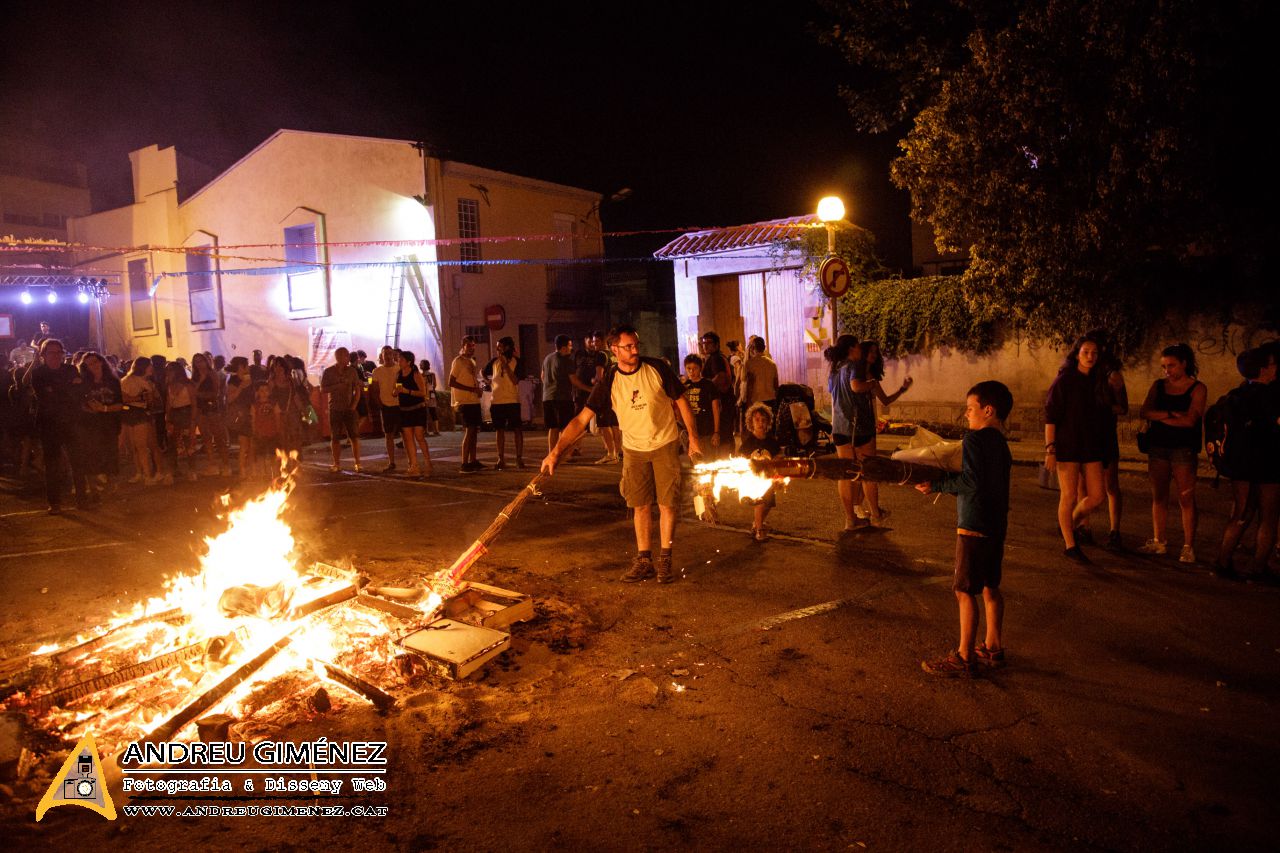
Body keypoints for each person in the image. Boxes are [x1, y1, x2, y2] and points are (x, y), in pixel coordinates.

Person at [542, 325, 702, 584]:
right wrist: (555, 452)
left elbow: (681, 401)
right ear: (614, 350)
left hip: (664, 443)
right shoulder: (610, 380)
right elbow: (581, 420)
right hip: (634, 449)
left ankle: (665, 558)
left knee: (667, 504)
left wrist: (693, 439)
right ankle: (644, 560)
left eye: (636, 345)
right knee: (640, 504)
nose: (635, 350)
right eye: (628, 347)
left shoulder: (656, 368)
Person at [916, 381, 1014, 677]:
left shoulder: (974, 440)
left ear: (988, 410)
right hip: (996, 523)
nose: (967, 414)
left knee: (963, 590)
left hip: (973, 524)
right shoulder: (1002, 444)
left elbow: (971, 482)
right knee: (990, 586)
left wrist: (937, 484)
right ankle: (993, 647)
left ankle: (964, 656)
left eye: (971, 408)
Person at [1211, 347, 1279, 580]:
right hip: (1269, 462)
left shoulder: (1236, 395)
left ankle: (1222, 562)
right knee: (1268, 518)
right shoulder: (1273, 396)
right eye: (1272, 364)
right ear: (1263, 369)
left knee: (1241, 514)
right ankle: (1258, 569)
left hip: (1240, 464)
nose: (1276, 368)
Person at [1137, 342, 1207, 563]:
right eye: (1164, 366)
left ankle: (1188, 547)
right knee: (1159, 495)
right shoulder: (1158, 386)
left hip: (1183, 449)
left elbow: (1190, 421)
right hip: (1158, 446)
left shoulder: (1197, 388)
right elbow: (1145, 411)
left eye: (1172, 365)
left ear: (1184, 364)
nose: (1167, 370)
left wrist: (1161, 417)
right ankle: (1159, 541)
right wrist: (1171, 414)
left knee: (1186, 497)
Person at [1044, 334, 1110, 563]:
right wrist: (1050, 449)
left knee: (1098, 496)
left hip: (1091, 447)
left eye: (1094, 353)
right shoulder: (1064, 380)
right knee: (1069, 495)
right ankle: (1070, 545)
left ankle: (1070, 521)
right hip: (1068, 445)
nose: (1090, 356)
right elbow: (1051, 417)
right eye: (1086, 352)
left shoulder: (1098, 381)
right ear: (1077, 354)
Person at [849, 340, 912, 525]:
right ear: (862, 353)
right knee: (869, 469)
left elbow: (885, 400)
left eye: (876, 352)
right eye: (870, 352)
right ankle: (874, 513)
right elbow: (856, 387)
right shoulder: (857, 374)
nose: (874, 355)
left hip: (868, 425)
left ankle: (860, 508)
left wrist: (902, 390)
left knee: (864, 469)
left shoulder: (870, 377)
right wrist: (871, 384)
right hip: (860, 426)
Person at [21, 339, 87, 512]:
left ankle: (82, 499)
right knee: (52, 465)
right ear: (43, 355)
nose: (56, 356)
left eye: (59, 352)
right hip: (50, 424)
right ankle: (54, 502)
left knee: (78, 462)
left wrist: (57, 390)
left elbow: (79, 393)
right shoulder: (39, 373)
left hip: (72, 422)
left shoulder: (70, 369)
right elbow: (45, 396)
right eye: (52, 352)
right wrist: (68, 388)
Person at [826, 335, 866, 531]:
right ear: (851, 348)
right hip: (853, 426)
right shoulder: (852, 366)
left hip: (838, 426)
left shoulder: (834, 370)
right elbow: (855, 386)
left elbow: (831, 392)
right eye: (858, 346)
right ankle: (859, 511)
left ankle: (850, 518)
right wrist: (871, 384)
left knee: (844, 472)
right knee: (860, 469)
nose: (860, 350)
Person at [77, 352, 123, 500]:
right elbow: (79, 404)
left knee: (111, 456)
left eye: (95, 362)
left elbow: (121, 404)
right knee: (92, 457)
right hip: (90, 425)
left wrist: (104, 408)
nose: (94, 365)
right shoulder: (84, 383)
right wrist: (88, 408)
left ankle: (113, 488)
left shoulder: (113, 381)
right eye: (89, 364)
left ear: (102, 362)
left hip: (110, 424)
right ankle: (94, 491)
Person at [738, 402, 782, 542]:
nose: (760, 423)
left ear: (768, 422)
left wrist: (776, 461)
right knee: (760, 503)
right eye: (757, 420)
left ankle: (756, 523)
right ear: (751, 422)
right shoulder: (749, 442)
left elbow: (778, 454)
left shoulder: (771, 441)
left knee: (768, 504)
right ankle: (759, 530)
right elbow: (741, 456)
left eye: (763, 420)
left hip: (768, 478)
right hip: (755, 479)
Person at [541, 335, 587, 462]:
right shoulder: (566, 360)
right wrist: (589, 389)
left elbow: (543, 376)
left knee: (553, 427)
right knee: (565, 428)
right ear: (563, 347)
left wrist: (550, 385)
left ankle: (552, 454)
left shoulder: (547, 358)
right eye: (570, 345)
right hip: (562, 398)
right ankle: (565, 454)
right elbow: (574, 380)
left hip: (547, 397)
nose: (571, 348)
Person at [483, 336, 526, 469]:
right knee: (499, 430)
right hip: (497, 401)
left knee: (517, 429)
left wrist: (505, 365)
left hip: (512, 400)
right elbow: (483, 372)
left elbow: (515, 380)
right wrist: (488, 382)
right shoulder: (494, 362)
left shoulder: (517, 362)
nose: (497, 350)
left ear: (507, 347)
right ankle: (500, 459)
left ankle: (519, 458)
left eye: (499, 347)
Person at [120, 356, 162, 484]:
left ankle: (154, 472)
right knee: (137, 446)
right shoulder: (129, 380)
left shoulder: (147, 381)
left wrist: (151, 397)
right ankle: (144, 473)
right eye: (150, 365)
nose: (152, 368)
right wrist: (140, 398)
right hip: (134, 412)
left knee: (149, 445)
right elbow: (123, 398)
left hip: (144, 413)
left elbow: (154, 399)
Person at [321, 346, 363, 473]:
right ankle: (337, 463)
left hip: (349, 408)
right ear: (337, 357)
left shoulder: (352, 371)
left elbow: (357, 389)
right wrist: (337, 386)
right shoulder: (329, 371)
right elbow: (323, 389)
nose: (347, 358)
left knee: (354, 436)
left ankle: (358, 463)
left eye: (347, 356)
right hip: (335, 408)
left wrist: (354, 405)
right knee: (335, 437)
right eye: (344, 356)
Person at [450, 336, 485, 472]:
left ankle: (473, 460)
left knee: (474, 432)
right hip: (465, 401)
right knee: (469, 431)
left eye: (473, 345)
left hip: (474, 400)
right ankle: (464, 463)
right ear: (463, 346)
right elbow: (451, 382)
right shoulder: (458, 361)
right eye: (469, 345)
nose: (472, 348)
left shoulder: (471, 361)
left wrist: (477, 389)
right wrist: (471, 389)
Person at [394, 349, 432, 478]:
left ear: (409, 362)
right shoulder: (398, 374)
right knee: (409, 439)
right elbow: (396, 389)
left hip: (417, 409)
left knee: (419, 436)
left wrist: (407, 391)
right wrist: (395, 392)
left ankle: (427, 462)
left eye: (401, 359)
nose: (399, 361)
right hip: (404, 410)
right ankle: (414, 466)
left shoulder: (415, 374)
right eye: (399, 359)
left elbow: (423, 393)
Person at [192, 353, 229, 476]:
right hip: (200, 408)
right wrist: (200, 381)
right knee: (206, 438)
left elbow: (215, 392)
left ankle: (225, 465)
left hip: (212, 407)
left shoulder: (212, 374)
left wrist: (200, 393)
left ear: (206, 361)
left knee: (218, 437)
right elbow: (192, 392)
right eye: (196, 362)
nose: (199, 364)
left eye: (201, 361)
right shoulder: (195, 376)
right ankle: (212, 464)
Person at [698, 331, 735, 454]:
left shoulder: (716, 358)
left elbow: (721, 377)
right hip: (724, 403)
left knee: (724, 437)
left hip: (723, 403)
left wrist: (705, 386)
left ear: (717, 344)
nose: (705, 345)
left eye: (709, 343)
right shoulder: (717, 357)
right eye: (704, 343)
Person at [371, 346, 402, 472]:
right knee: (388, 434)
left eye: (390, 353)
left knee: (405, 433)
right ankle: (391, 462)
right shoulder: (377, 371)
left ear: (393, 355)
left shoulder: (399, 369)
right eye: (385, 354)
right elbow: (374, 389)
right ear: (382, 356)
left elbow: (401, 385)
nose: (388, 356)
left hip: (399, 405)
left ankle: (412, 462)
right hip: (386, 406)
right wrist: (380, 404)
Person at [681, 354, 720, 455]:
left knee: (709, 459)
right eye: (688, 368)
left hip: (707, 431)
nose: (691, 371)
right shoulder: (684, 386)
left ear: (700, 368)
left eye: (695, 368)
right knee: (694, 460)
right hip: (691, 432)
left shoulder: (708, 385)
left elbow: (716, 409)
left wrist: (716, 432)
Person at [165, 362, 198, 481]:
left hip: (186, 413)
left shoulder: (188, 385)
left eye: (170, 370)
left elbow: (194, 404)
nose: (168, 372)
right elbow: (168, 403)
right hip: (174, 414)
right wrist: (167, 419)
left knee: (188, 442)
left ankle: (192, 470)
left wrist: (193, 421)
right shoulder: (169, 385)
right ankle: (173, 470)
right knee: (172, 443)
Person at [225, 356, 254, 478]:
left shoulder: (250, 379)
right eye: (246, 365)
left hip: (251, 413)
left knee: (252, 444)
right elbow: (230, 399)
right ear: (240, 367)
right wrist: (241, 386)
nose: (248, 368)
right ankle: (242, 470)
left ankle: (250, 469)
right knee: (244, 444)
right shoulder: (233, 380)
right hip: (241, 415)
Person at [738, 336, 780, 424]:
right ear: (764, 347)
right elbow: (776, 385)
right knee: (769, 425)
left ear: (753, 348)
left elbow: (747, 383)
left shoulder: (749, 364)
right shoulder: (772, 364)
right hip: (771, 400)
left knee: (758, 426)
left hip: (756, 400)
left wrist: (748, 402)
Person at [250, 381, 284, 480]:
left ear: (269, 392)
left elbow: (277, 417)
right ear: (257, 392)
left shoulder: (273, 403)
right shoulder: (255, 405)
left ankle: (274, 474)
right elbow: (253, 419)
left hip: (272, 433)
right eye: (261, 391)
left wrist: (278, 430)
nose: (264, 393)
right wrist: (254, 432)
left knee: (273, 455)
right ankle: (262, 473)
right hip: (260, 434)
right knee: (261, 455)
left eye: (266, 390)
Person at [420, 359, 440, 436]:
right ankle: (436, 430)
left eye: (421, 364)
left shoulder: (421, 375)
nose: (420, 365)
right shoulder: (432, 375)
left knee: (425, 413)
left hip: (424, 395)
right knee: (432, 412)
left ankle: (426, 431)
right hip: (431, 394)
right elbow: (434, 385)